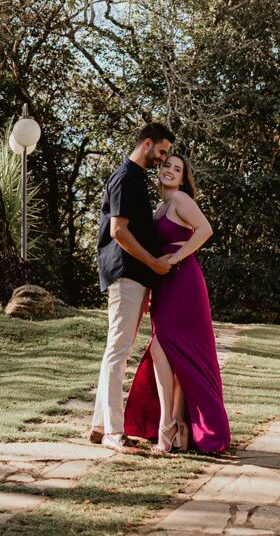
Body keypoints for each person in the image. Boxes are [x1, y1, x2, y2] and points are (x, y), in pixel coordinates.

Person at [124, 151, 230, 454]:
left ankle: (167, 424)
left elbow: (205, 230)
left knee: (166, 348)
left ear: (183, 179)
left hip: (184, 282)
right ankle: (179, 425)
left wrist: (176, 257)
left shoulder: (181, 200)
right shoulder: (161, 206)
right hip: (165, 285)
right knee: (172, 352)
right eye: (167, 165)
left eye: (177, 169)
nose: (170, 170)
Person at [89, 121, 176, 453]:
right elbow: (119, 231)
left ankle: (100, 425)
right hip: (127, 274)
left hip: (136, 276)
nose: (163, 159)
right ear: (147, 143)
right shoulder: (125, 178)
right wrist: (153, 263)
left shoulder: (136, 179)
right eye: (162, 151)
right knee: (118, 351)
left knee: (116, 349)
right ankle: (114, 432)